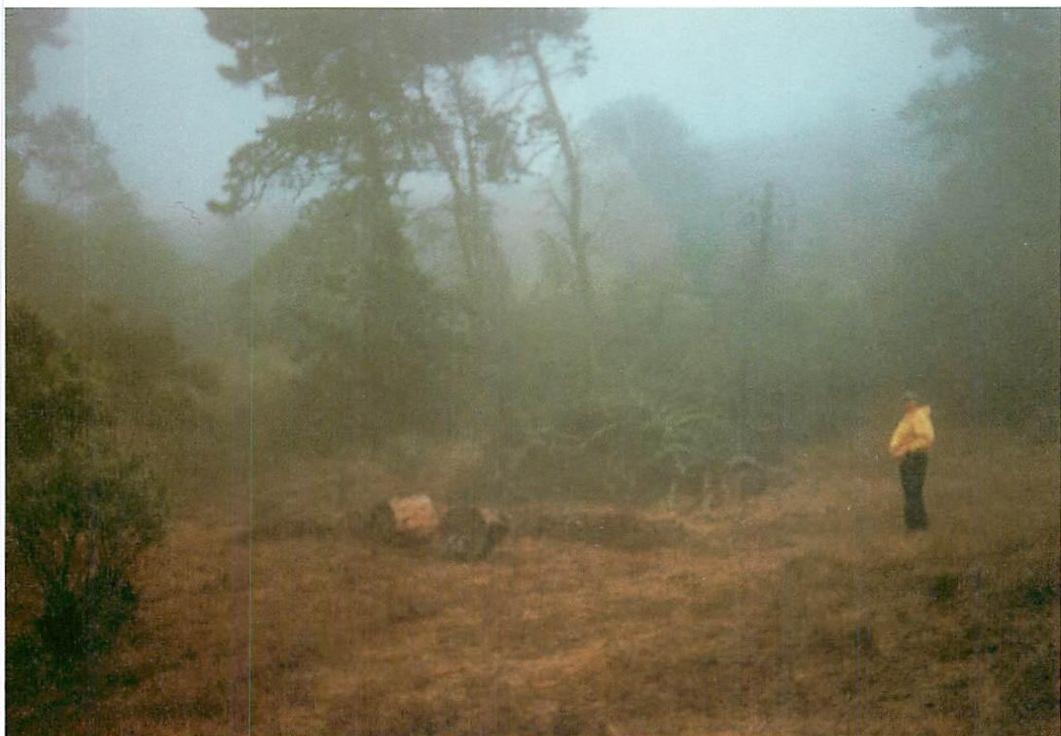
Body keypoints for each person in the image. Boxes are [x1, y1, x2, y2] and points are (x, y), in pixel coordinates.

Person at [888, 392, 935, 530]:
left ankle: (917, 525)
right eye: (905, 401)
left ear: (916, 402)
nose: (907, 404)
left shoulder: (919, 417)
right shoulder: (907, 418)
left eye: (910, 401)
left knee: (913, 490)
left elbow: (926, 438)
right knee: (910, 491)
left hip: (916, 457)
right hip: (907, 458)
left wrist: (907, 448)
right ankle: (914, 524)